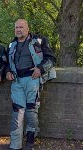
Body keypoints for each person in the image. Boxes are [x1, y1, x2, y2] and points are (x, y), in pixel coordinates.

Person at [6, 19, 56, 150]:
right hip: (17, 82)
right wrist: (7, 71)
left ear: (28, 28)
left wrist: (40, 68)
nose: (18, 29)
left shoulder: (39, 41)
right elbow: (6, 63)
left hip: (32, 80)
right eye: (16, 27)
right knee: (17, 112)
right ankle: (15, 145)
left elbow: (51, 58)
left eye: (21, 27)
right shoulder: (11, 44)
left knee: (31, 111)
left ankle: (30, 141)